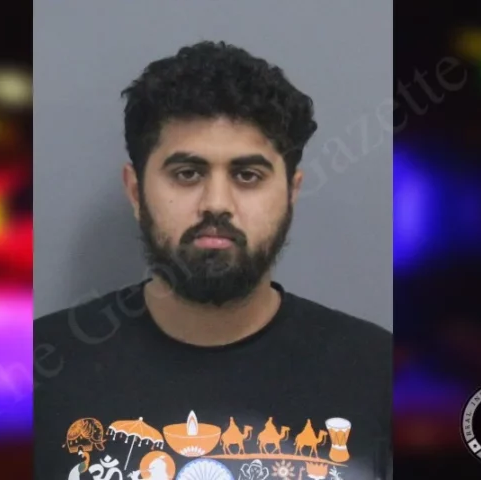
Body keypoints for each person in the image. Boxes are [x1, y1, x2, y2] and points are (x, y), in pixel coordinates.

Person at [35, 41, 391, 480]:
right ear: (136, 191)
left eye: (248, 175)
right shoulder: (40, 370)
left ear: (291, 193)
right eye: (187, 173)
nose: (216, 203)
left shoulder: (379, 374)